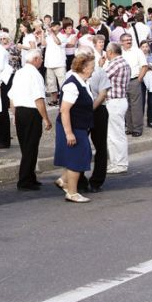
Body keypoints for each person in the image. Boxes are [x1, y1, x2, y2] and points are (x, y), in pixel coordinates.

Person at [53, 53, 95, 203]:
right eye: (91, 67)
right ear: (83, 68)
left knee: (79, 156)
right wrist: (69, 133)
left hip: (79, 126)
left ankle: (63, 181)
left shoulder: (82, 82)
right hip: (72, 127)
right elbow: (64, 110)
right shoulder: (72, 85)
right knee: (77, 158)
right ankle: (72, 192)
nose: (93, 70)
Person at [8, 48, 52, 191]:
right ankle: (25, 179)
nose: (42, 61)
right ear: (35, 60)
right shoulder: (35, 75)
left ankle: (30, 177)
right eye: (41, 59)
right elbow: (38, 98)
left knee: (25, 146)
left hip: (20, 111)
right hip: (31, 112)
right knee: (31, 147)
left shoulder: (19, 73)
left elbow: (12, 97)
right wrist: (46, 118)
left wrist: (14, 114)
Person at [76, 46, 110, 193]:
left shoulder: (100, 72)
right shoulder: (73, 73)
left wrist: (90, 109)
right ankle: (80, 180)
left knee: (100, 147)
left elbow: (103, 94)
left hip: (97, 111)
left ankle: (97, 181)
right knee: (82, 146)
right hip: (81, 112)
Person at [104, 42, 131, 174]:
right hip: (118, 100)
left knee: (116, 134)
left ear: (110, 52)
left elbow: (102, 77)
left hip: (115, 101)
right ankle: (115, 162)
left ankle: (120, 163)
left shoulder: (115, 63)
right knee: (112, 134)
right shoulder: (124, 62)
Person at [120, 33, 147, 137]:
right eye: (126, 40)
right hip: (122, 82)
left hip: (134, 80)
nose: (129, 41)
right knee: (126, 106)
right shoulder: (120, 52)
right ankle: (130, 128)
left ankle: (137, 129)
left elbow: (144, 66)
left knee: (136, 106)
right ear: (121, 42)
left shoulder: (137, 51)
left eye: (130, 39)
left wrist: (139, 79)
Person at [44, 21, 65, 106]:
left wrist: (51, 33)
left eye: (55, 26)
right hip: (49, 63)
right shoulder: (48, 36)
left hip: (59, 63)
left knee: (62, 83)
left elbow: (58, 42)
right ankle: (54, 100)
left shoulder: (62, 36)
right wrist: (42, 34)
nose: (53, 28)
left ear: (59, 27)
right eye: (52, 27)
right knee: (51, 83)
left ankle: (64, 100)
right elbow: (43, 44)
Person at [140, 40, 152, 129]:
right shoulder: (138, 56)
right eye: (143, 47)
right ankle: (140, 122)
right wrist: (148, 67)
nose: (145, 48)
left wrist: (149, 67)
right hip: (142, 81)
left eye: (146, 46)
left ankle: (150, 121)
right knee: (142, 102)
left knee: (150, 102)